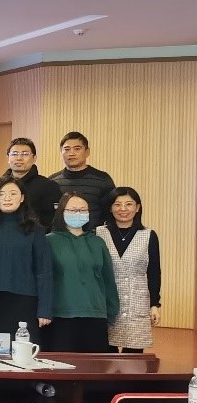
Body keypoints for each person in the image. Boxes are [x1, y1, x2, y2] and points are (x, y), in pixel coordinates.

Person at [0, 177, 53, 340]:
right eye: (1, 194)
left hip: (25, 301)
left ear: (22, 197)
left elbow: (43, 270)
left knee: (23, 351)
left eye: (13, 193)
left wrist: (45, 309)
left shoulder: (35, 229)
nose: (7, 198)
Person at [43, 193, 118, 353]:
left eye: (83, 210)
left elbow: (108, 279)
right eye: (72, 210)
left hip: (96, 314)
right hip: (62, 315)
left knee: (94, 365)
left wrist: (112, 311)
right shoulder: (49, 241)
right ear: (61, 212)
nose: (78, 213)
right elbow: (43, 279)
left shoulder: (97, 242)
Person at [97, 187, 160, 353]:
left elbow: (154, 272)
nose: (123, 209)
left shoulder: (148, 235)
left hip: (136, 302)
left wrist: (154, 305)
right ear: (110, 208)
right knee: (104, 355)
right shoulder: (99, 233)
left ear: (137, 207)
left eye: (129, 204)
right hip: (105, 302)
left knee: (134, 358)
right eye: (117, 204)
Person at [49, 132, 116, 227]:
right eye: (67, 149)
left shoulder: (102, 179)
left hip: (94, 234)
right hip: (59, 234)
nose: (71, 153)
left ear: (87, 152)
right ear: (61, 152)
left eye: (77, 149)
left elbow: (111, 212)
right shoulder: (52, 181)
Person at [4, 138, 62, 224]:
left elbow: (52, 221)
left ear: (34, 158)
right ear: (8, 158)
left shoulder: (49, 186)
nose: (19, 158)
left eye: (25, 154)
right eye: (14, 154)